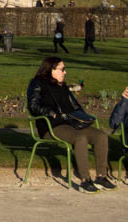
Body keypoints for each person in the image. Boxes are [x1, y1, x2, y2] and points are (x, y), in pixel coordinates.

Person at [26, 56, 116, 193]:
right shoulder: (37, 83)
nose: (65, 72)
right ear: (51, 69)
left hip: (70, 124)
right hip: (52, 126)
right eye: (63, 69)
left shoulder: (62, 87)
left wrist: (82, 117)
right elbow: (33, 106)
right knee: (80, 139)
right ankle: (85, 180)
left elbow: (76, 106)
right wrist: (52, 113)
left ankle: (101, 177)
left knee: (101, 136)